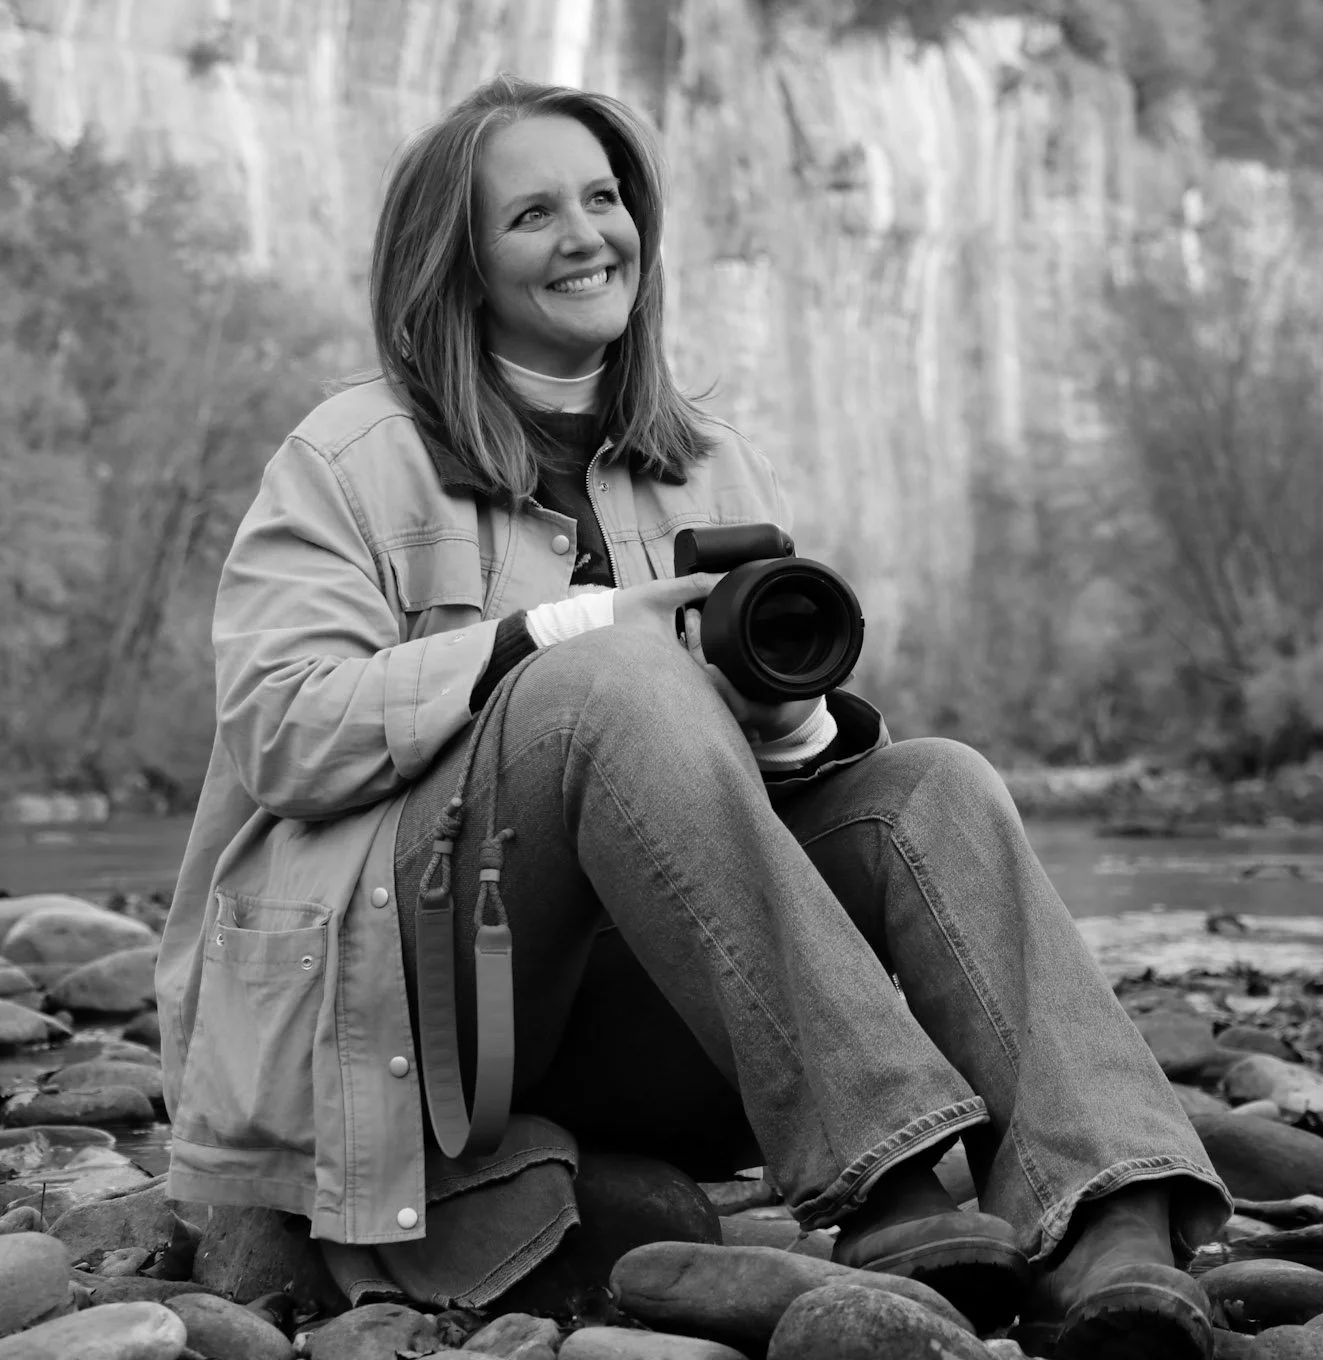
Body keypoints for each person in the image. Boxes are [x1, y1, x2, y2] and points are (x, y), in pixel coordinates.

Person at [156, 74, 1230, 1358]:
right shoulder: (348, 457)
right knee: (612, 675)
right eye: (534, 213)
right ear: (456, 260)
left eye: (605, 198)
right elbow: (281, 728)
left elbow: (741, 790)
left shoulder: (704, 455)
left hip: (671, 1010)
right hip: (429, 1021)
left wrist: (795, 735)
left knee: (933, 779)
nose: (586, 235)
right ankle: (886, 1177)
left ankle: (1105, 1210)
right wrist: (553, 638)